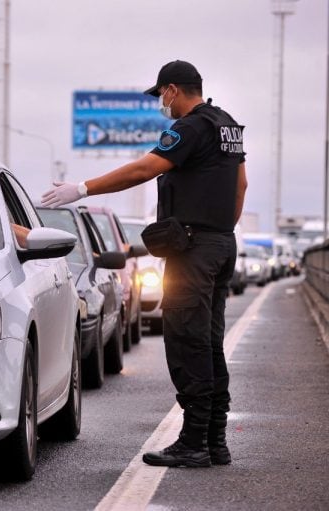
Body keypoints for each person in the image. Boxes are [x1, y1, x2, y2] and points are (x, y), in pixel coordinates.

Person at [41, 60, 247, 468]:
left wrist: (81, 188)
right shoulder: (228, 125)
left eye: (162, 96)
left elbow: (145, 168)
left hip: (194, 250)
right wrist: (222, 231)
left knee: (188, 344)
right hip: (221, 244)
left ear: (173, 89)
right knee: (208, 344)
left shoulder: (189, 127)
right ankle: (214, 441)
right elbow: (240, 184)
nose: (162, 104)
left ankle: (193, 444)